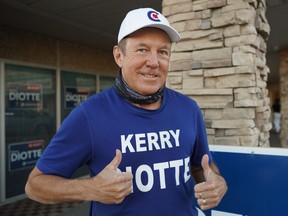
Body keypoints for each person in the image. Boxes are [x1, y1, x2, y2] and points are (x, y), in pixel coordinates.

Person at [25, 7, 227, 216]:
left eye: (163, 52)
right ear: (118, 56)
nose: (153, 62)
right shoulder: (90, 115)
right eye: (142, 49)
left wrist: (216, 182)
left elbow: (201, 166)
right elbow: (35, 185)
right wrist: (91, 188)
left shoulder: (188, 108)